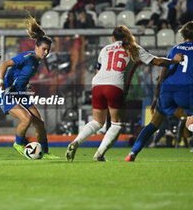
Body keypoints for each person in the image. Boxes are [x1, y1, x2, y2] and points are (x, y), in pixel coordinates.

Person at [65, 25, 183, 162]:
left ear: (112, 38)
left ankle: (76, 141)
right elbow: (157, 61)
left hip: (97, 85)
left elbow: (98, 70)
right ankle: (99, 155)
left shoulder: (105, 49)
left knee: (97, 122)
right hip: (115, 85)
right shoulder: (134, 49)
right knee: (117, 124)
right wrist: (174, 61)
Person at [125, 21, 193, 162]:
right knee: (190, 119)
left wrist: (156, 97)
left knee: (153, 125)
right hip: (187, 89)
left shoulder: (174, 49)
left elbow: (163, 73)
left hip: (167, 90)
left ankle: (132, 153)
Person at [0, 15, 59, 160]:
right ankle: (18, 144)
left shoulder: (36, 61)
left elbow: (19, 75)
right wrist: (1, 81)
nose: (46, 53)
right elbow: (4, 64)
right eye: (44, 49)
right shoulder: (27, 57)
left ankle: (44, 152)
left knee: (39, 122)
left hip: (20, 93)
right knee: (26, 119)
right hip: (7, 93)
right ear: (36, 47)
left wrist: (26, 84)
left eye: (48, 50)